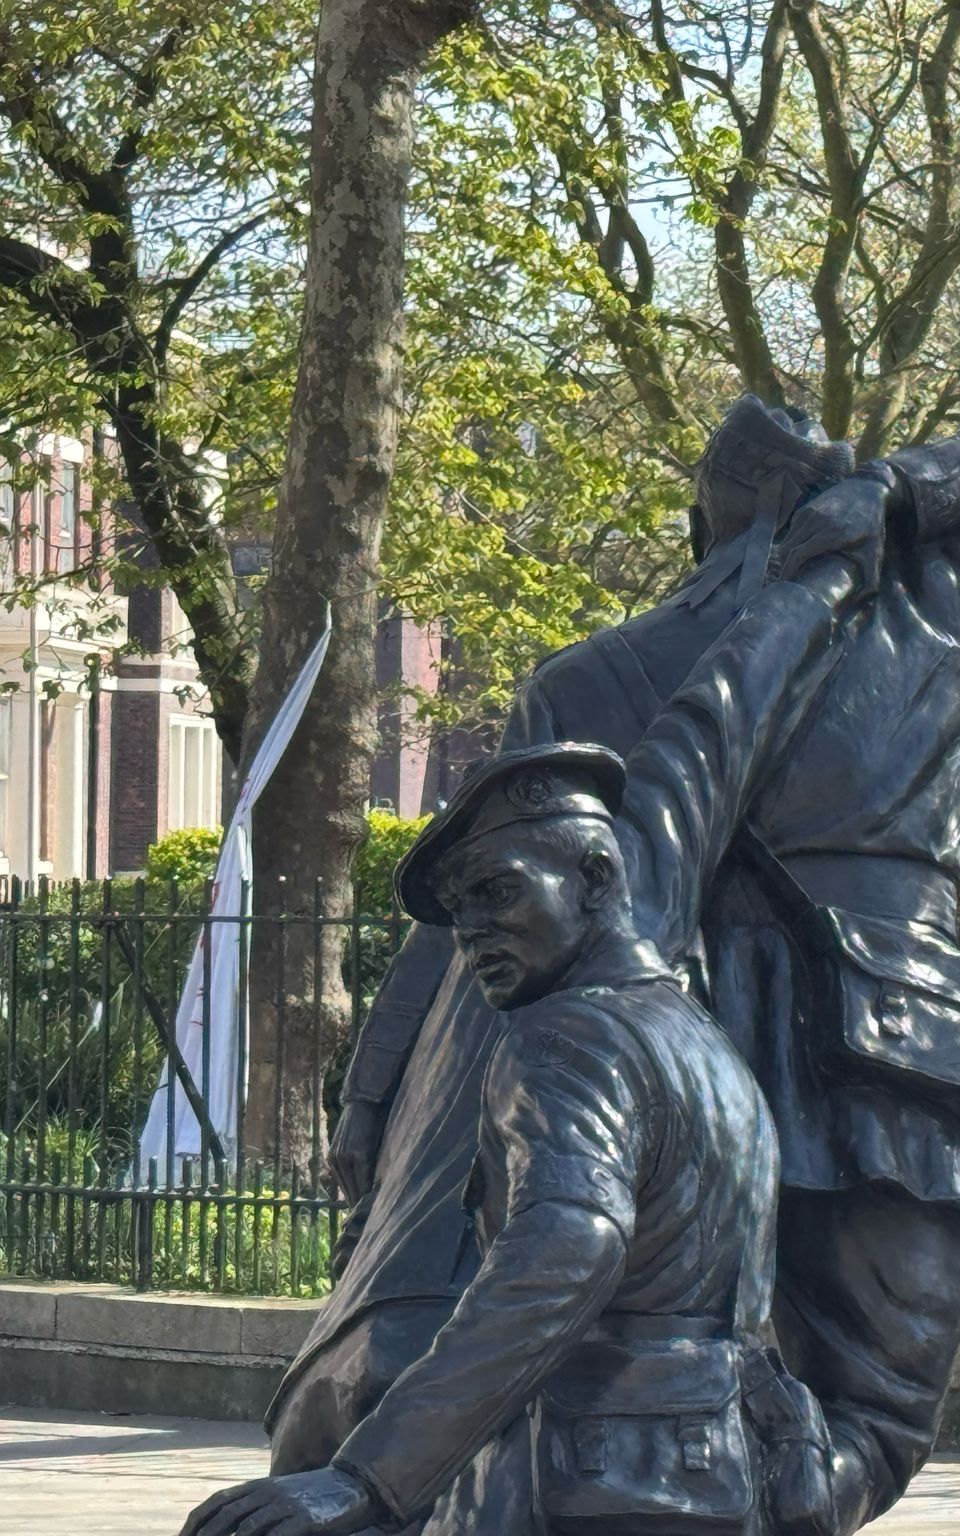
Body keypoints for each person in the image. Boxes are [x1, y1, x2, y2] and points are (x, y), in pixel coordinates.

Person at [276, 397, 960, 1533]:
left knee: (663, 1373)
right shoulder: (927, 611)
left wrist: (373, 1097)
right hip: (891, 1078)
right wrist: (894, 496)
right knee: (872, 1424)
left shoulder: (593, 680)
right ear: (834, 493)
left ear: (696, 525)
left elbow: (462, 919)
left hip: (703, 1055)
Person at [179, 495, 874, 1536]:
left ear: (596, 878)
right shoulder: (698, 1043)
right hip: (718, 1475)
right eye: (459, 913)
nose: (473, 934)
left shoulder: (569, 1040)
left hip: (593, 1482)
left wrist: (365, 1478)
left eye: (497, 893)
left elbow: (566, 1250)